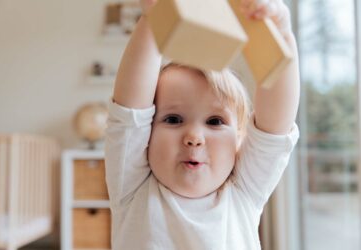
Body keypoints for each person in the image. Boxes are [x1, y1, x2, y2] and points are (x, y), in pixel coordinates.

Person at [105, 0, 300, 249]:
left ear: (239, 140)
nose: (194, 137)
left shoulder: (243, 190)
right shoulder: (133, 187)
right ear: (146, 135)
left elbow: (275, 126)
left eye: (215, 121)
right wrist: (155, 18)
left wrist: (282, 35)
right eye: (173, 119)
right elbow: (129, 112)